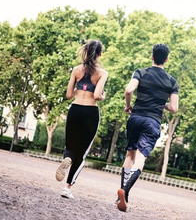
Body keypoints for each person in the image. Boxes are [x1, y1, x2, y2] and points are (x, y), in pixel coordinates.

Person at [116, 43, 179, 211]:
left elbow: (129, 90)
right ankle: (126, 191)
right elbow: (174, 108)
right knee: (141, 158)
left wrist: (128, 106)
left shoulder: (140, 72)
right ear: (166, 59)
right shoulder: (172, 82)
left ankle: (121, 196)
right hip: (152, 122)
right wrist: (161, 104)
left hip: (135, 117)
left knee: (130, 155)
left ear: (152, 57)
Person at [55, 39, 108, 199]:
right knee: (81, 153)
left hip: (75, 109)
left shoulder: (77, 70)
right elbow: (97, 95)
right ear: (100, 54)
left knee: (70, 147)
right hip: (90, 112)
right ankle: (67, 188)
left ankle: (67, 158)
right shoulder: (102, 73)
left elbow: (69, 95)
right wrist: (103, 97)